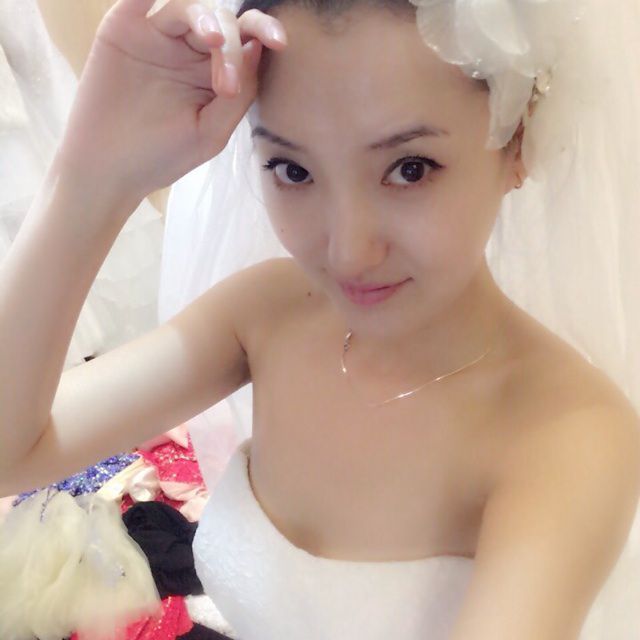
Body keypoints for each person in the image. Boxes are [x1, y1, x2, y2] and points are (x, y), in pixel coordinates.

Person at [0, 0, 639, 639]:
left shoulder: (566, 437)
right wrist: (88, 177)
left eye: (409, 169)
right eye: (294, 170)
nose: (347, 253)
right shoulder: (268, 314)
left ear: (516, 139)